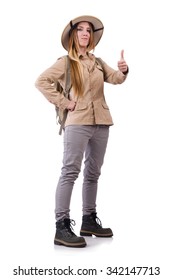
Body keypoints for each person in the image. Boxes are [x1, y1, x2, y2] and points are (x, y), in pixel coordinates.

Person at [35, 15, 129, 248]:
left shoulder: (97, 62)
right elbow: (41, 81)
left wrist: (123, 70)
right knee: (70, 172)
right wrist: (65, 103)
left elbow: (115, 79)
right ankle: (61, 226)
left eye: (89, 30)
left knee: (93, 173)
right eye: (81, 29)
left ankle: (88, 221)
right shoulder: (65, 62)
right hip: (77, 122)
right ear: (73, 35)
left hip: (102, 122)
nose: (86, 33)